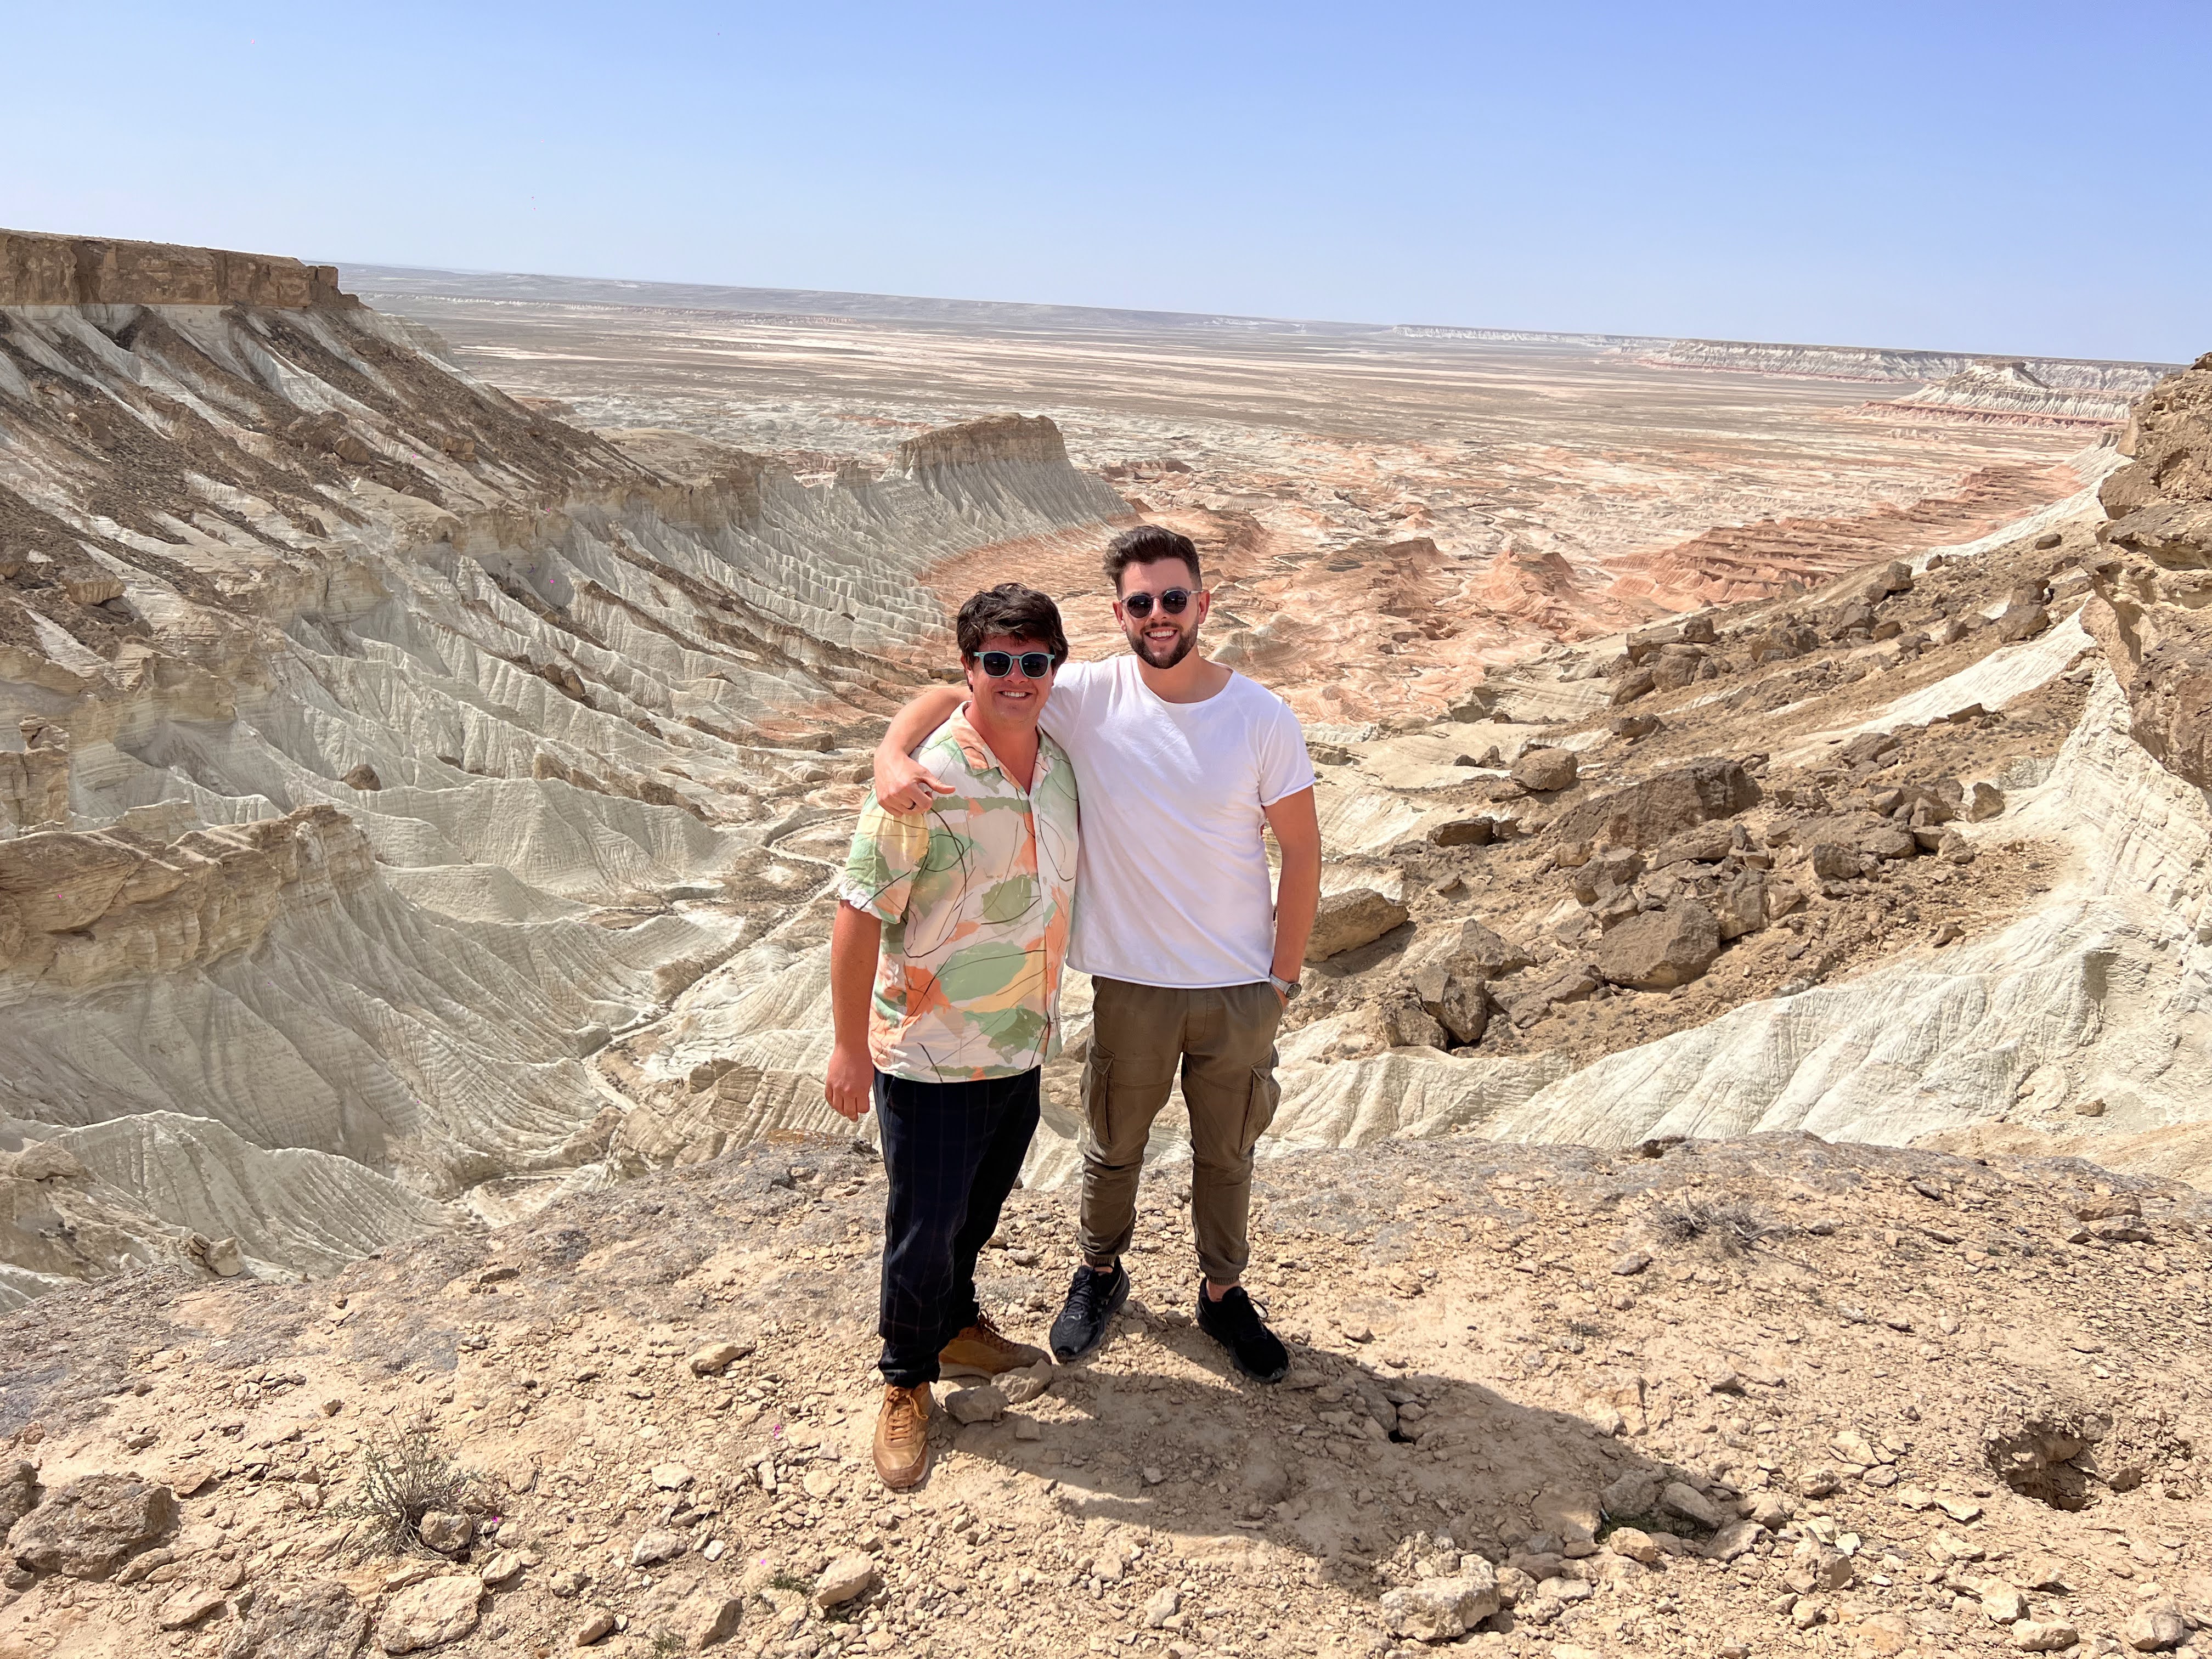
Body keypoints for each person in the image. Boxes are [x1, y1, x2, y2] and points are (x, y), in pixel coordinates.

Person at [872, 524, 1322, 1385]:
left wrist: (1282, 979)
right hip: (1131, 987)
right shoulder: (1082, 693)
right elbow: (960, 689)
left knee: (1227, 1154)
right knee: (1112, 1149)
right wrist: (893, 752)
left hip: (1237, 987)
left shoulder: (1261, 716)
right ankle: (1099, 1274)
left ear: (1202, 602)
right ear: (1120, 612)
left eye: (1175, 599)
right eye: (1142, 603)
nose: (1160, 616)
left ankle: (1223, 1295)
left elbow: (1301, 851)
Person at [827, 583, 1079, 1491]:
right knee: (922, 1225)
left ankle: (959, 1325)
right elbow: (858, 911)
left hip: (1020, 1039)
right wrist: (849, 1046)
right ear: (970, 668)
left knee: (979, 1207)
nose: (1017, 678)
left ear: (1055, 666)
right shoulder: (922, 781)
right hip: (930, 1052)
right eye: (997, 663)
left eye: (1033, 662)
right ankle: (905, 1378)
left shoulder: (1058, 762)